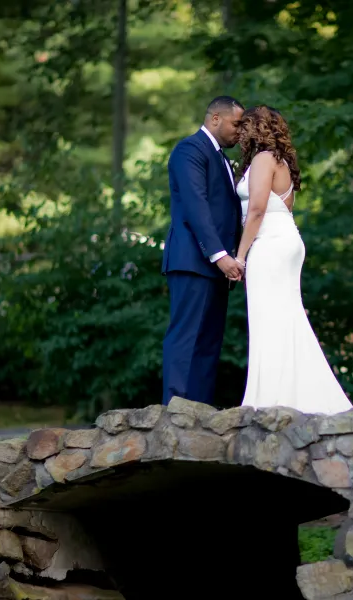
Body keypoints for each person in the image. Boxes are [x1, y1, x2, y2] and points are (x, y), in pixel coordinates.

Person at [232, 105, 353, 415]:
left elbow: (257, 209)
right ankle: (294, 395)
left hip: (269, 244)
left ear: (256, 128)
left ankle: (270, 399)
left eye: (244, 126)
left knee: (268, 319)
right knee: (287, 317)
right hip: (287, 240)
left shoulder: (262, 159)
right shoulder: (280, 161)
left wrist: (241, 256)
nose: (240, 133)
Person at [161, 96, 245, 406]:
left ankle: (200, 412)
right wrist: (221, 255)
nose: (240, 131)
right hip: (193, 260)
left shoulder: (220, 156)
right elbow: (196, 206)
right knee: (186, 338)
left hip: (215, 266)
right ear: (215, 119)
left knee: (209, 343)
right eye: (236, 124)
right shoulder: (190, 150)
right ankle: (176, 412)